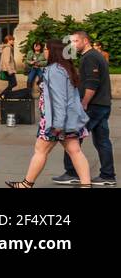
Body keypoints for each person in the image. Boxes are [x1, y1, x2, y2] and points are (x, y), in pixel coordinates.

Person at [7, 38, 92, 188]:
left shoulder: (55, 70)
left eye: (46, 49)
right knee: (75, 151)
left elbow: (59, 100)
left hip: (55, 121)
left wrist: (57, 125)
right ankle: (86, 185)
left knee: (40, 150)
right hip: (68, 120)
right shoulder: (65, 68)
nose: (45, 51)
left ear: (54, 52)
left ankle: (26, 184)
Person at [52, 29, 114, 186]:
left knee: (71, 138)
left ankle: (72, 172)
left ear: (85, 41)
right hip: (102, 104)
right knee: (102, 141)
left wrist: (83, 103)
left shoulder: (90, 57)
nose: (72, 44)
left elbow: (92, 84)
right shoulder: (92, 56)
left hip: (92, 106)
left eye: (75, 41)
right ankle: (108, 175)